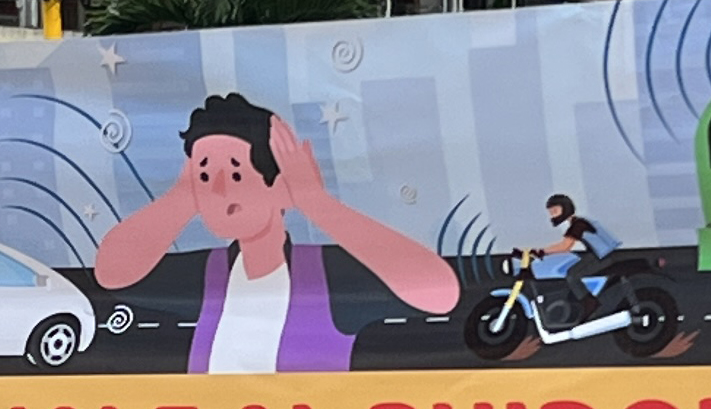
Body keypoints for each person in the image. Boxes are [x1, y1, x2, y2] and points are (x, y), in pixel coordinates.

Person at [92, 92, 460, 373]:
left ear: (278, 183)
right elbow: (112, 273)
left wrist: (317, 203)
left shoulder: (325, 277)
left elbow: (440, 292)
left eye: (236, 173)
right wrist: (182, 197)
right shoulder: (210, 275)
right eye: (204, 176)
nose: (218, 190)